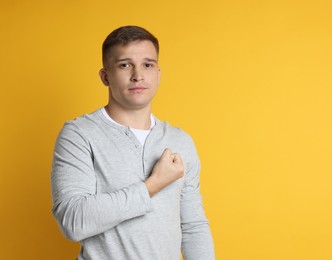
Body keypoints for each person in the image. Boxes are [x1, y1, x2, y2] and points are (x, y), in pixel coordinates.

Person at [50, 25, 215, 260]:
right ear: (105, 76)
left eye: (147, 65)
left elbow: (193, 227)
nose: (138, 75)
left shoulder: (180, 141)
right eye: (125, 64)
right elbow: (74, 221)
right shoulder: (79, 135)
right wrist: (153, 185)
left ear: (158, 73)